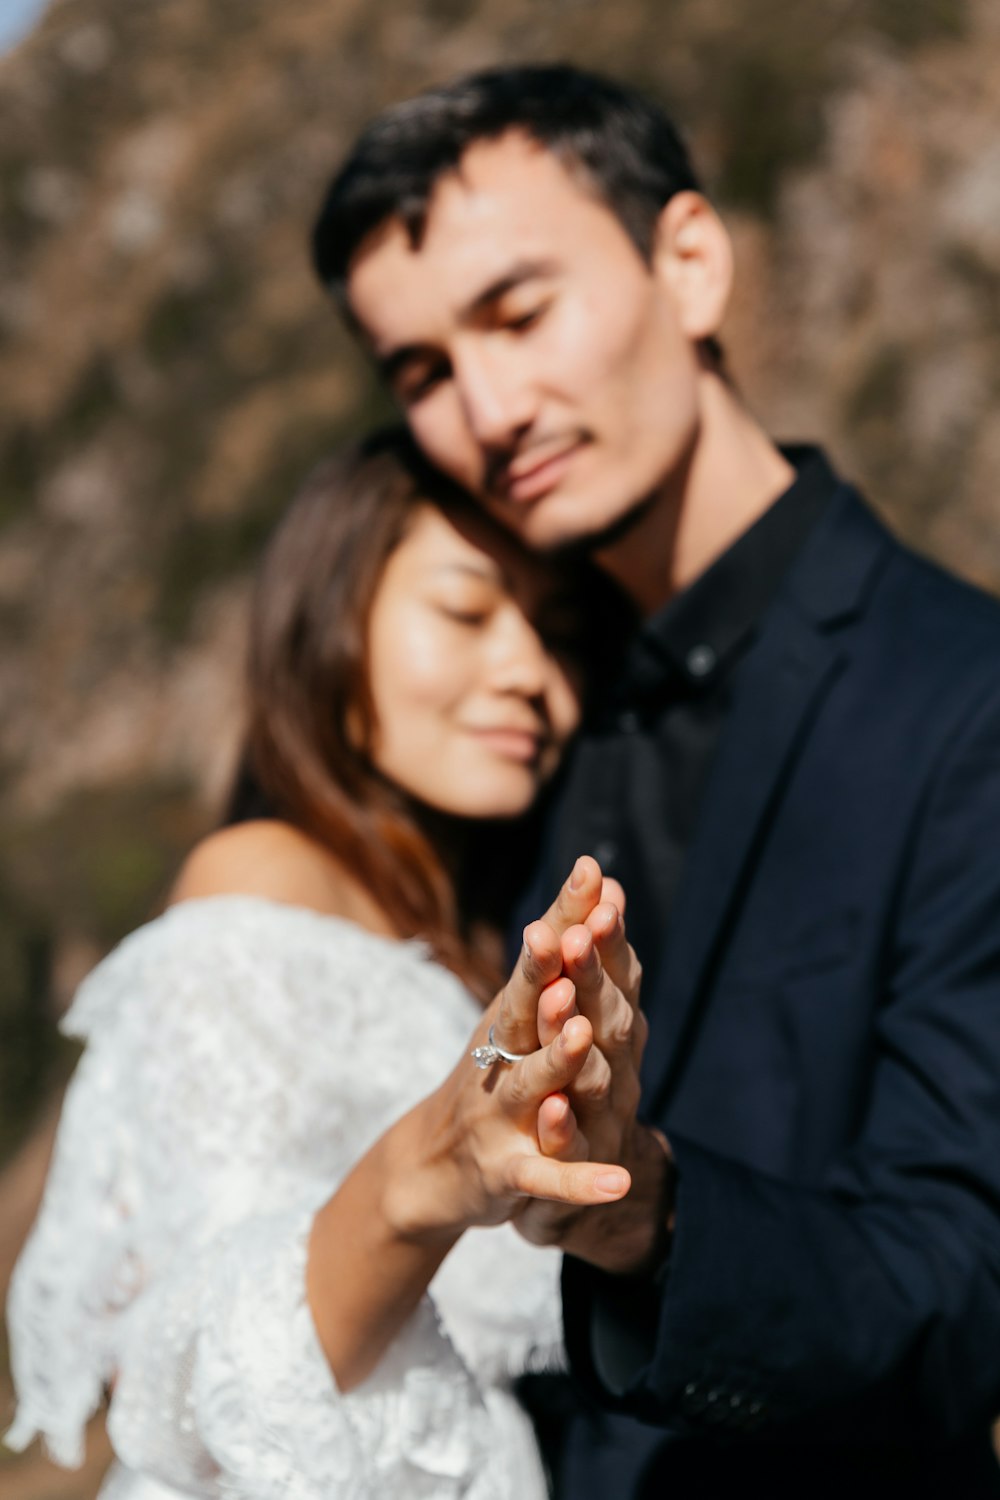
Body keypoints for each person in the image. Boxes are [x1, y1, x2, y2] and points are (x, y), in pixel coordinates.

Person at [311, 65, 1000, 1494]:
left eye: (519, 312)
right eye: (424, 371)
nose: (490, 409)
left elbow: (963, 1296)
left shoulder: (964, 700)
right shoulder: (499, 720)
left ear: (688, 263)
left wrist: (640, 1211)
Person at [4, 428, 643, 1499]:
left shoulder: (454, 927)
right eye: (465, 611)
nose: (533, 676)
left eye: (559, 636)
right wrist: (425, 1181)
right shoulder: (255, 880)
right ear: (331, 620)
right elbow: (215, 1370)